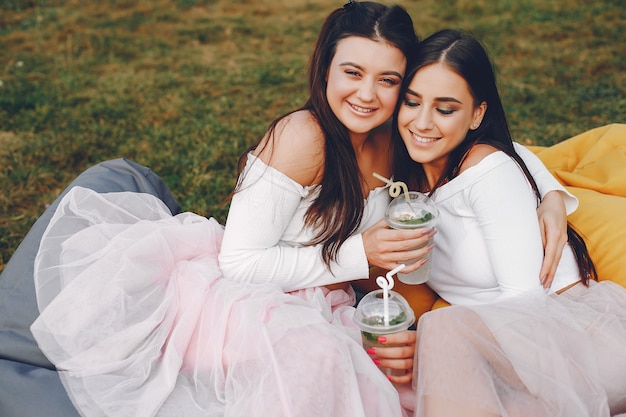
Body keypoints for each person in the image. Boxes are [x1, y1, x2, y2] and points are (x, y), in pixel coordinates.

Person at [0, 3, 575, 417]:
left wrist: (547, 191)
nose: (367, 94)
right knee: (314, 376)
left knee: (385, 379)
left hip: (325, 299)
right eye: (352, 72)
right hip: (243, 296)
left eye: (389, 80)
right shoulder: (304, 137)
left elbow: (490, 141)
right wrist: (360, 253)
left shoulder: (395, 131)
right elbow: (239, 263)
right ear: (325, 66)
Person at [391, 28, 626, 416]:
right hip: (511, 353)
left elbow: (526, 303)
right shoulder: (411, 178)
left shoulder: (486, 169)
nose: (422, 122)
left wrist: (437, 350)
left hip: (575, 343)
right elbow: (517, 149)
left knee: (441, 330)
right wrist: (550, 192)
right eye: (412, 102)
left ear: (477, 114)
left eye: (445, 109)